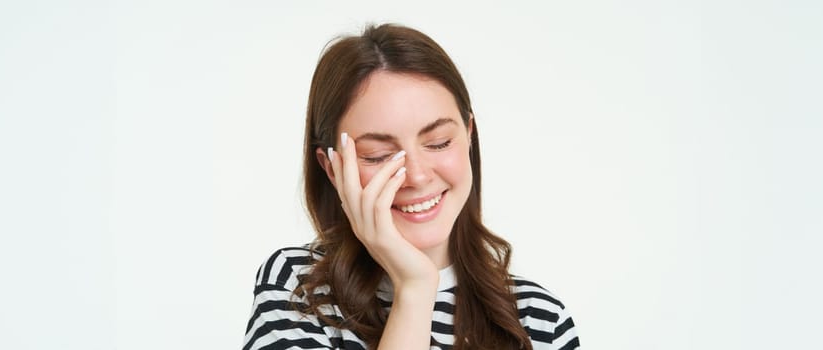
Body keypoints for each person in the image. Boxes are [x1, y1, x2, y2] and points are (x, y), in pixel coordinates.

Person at [242, 23, 580, 350]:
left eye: (438, 142)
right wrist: (415, 289)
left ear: (469, 137)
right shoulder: (296, 289)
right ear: (331, 167)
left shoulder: (540, 321)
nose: (417, 176)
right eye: (378, 155)